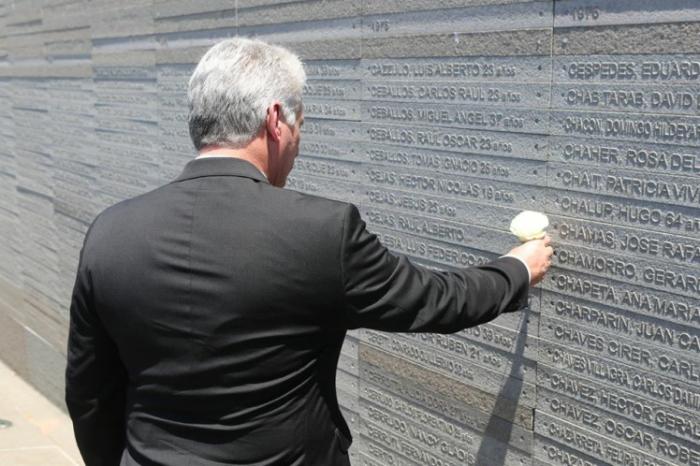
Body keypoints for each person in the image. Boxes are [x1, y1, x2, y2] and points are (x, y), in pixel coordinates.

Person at [65, 37, 553, 466]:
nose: (299, 141)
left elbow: (89, 393)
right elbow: (433, 300)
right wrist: (517, 269)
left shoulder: (110, 232)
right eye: (301, 122)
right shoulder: (321, 231)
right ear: (275, 119)